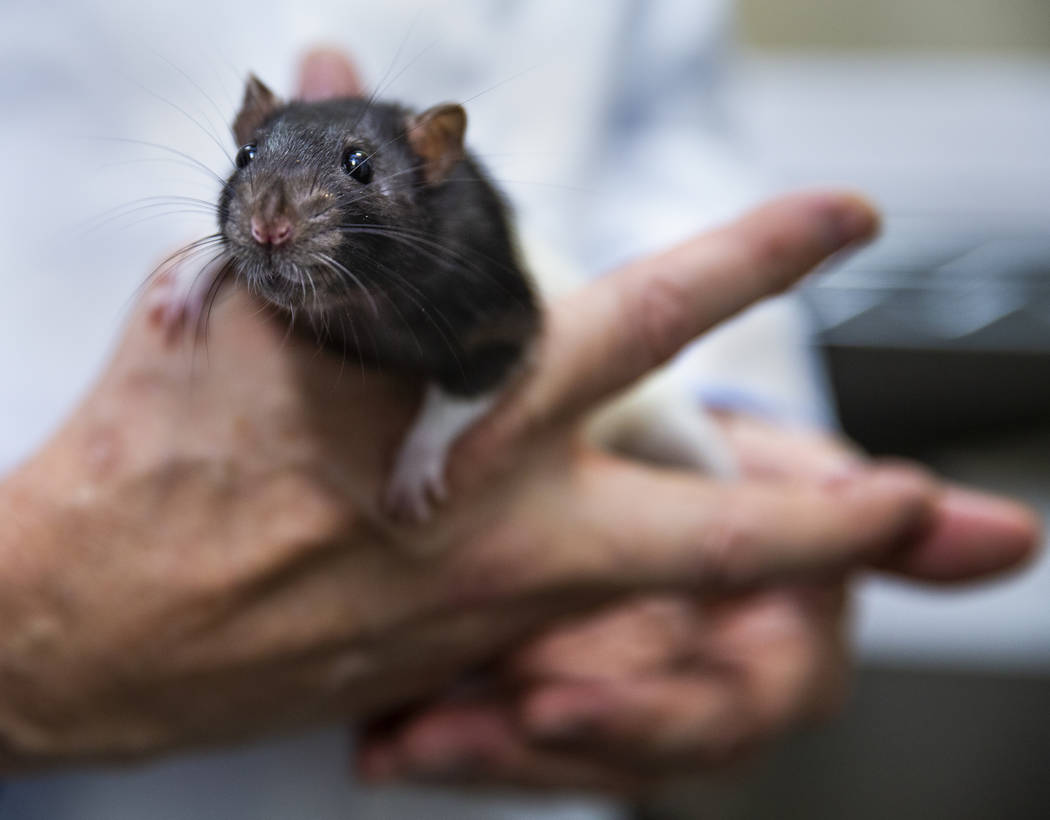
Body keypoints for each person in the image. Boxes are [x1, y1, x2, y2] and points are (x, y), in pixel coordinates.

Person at [0, 50, 1038, 820]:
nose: (272, 217)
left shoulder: (459, 262)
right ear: (246, 131)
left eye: (354, 172)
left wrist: (725, 410)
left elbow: (656, 113)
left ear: (434, 158)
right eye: (257, 158)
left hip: (510, 630)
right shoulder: (265, 216)